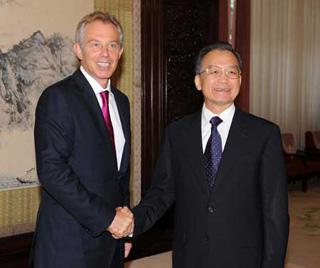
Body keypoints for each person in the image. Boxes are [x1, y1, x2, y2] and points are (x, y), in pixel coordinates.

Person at [130, 42, 289, 268]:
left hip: (243, 257)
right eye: (214, 71)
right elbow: (162, 192)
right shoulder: (177, 133)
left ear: (240, 81)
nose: (223, 79)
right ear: (198, 81)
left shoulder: (264, 134)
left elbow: (275, 212)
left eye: (231, 72)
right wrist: (132, 224)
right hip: (191, 255)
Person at [31, 11, 133, 268]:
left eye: (112, 45)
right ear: (78, 50)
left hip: (110, 243)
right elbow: (52, 172)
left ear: (120, 52)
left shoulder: (121, 102)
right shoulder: (58, 98)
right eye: (95, 44)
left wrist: (125, 231)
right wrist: (109, 219)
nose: (105, 54)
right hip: (68, 247)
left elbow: (118, 175)